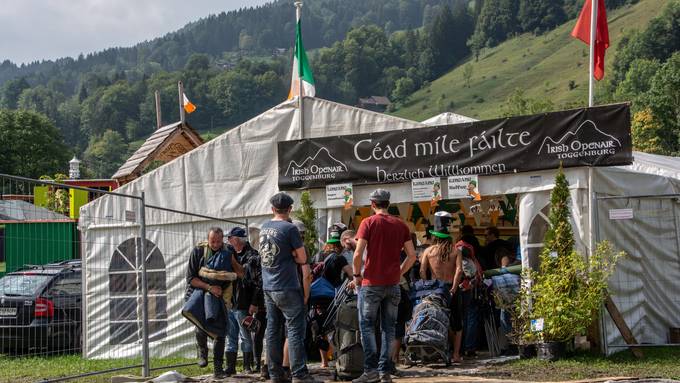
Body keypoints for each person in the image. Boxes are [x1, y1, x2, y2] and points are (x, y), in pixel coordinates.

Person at [351, 189, 416, 383]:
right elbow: (412, 256)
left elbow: (357, 254)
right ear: (389, 203)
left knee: (367, 326)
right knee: (389, 328)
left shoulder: (368, 223)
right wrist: (399, 273)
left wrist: (356, 276)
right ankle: (385, 372)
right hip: (393, 284)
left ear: (372, 204)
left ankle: (370, 371)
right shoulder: (400, 225)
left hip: (371, 284)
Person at [260, 192, 317, 383]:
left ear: (272, 209)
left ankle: (275, 374)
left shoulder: (264, 227)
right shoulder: (290, 228)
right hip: (287, 285)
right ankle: (299, 374)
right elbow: (302, 259)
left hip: (269, 286)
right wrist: (292, 254)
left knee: (273, 330)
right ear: (290, 209)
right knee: (294, 330)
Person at [185, 227, 244, 378]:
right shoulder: (198, 251)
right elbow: (191, 278)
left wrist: (232, 260)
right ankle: (202, 351)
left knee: (221, 331)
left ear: (223, 239)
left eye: (219, 241)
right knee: (202, 325)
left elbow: (241, 273)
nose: (216, 244)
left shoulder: (227, 251)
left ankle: (218, 368)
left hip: (221, 295)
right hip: (199, 292)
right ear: (208, 239)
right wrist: (209, 287)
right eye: (212, 241)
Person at [226, 226, 262, 374]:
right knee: (231, 336)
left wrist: (254, 303)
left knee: (245, 336)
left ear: (237, 239)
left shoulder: (253, 256)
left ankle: (247, 366)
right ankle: (230, 367)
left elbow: (258, 282)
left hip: (244, 303)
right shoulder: (228, 254)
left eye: (230, 237)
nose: (228, 240)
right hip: (230, 302)